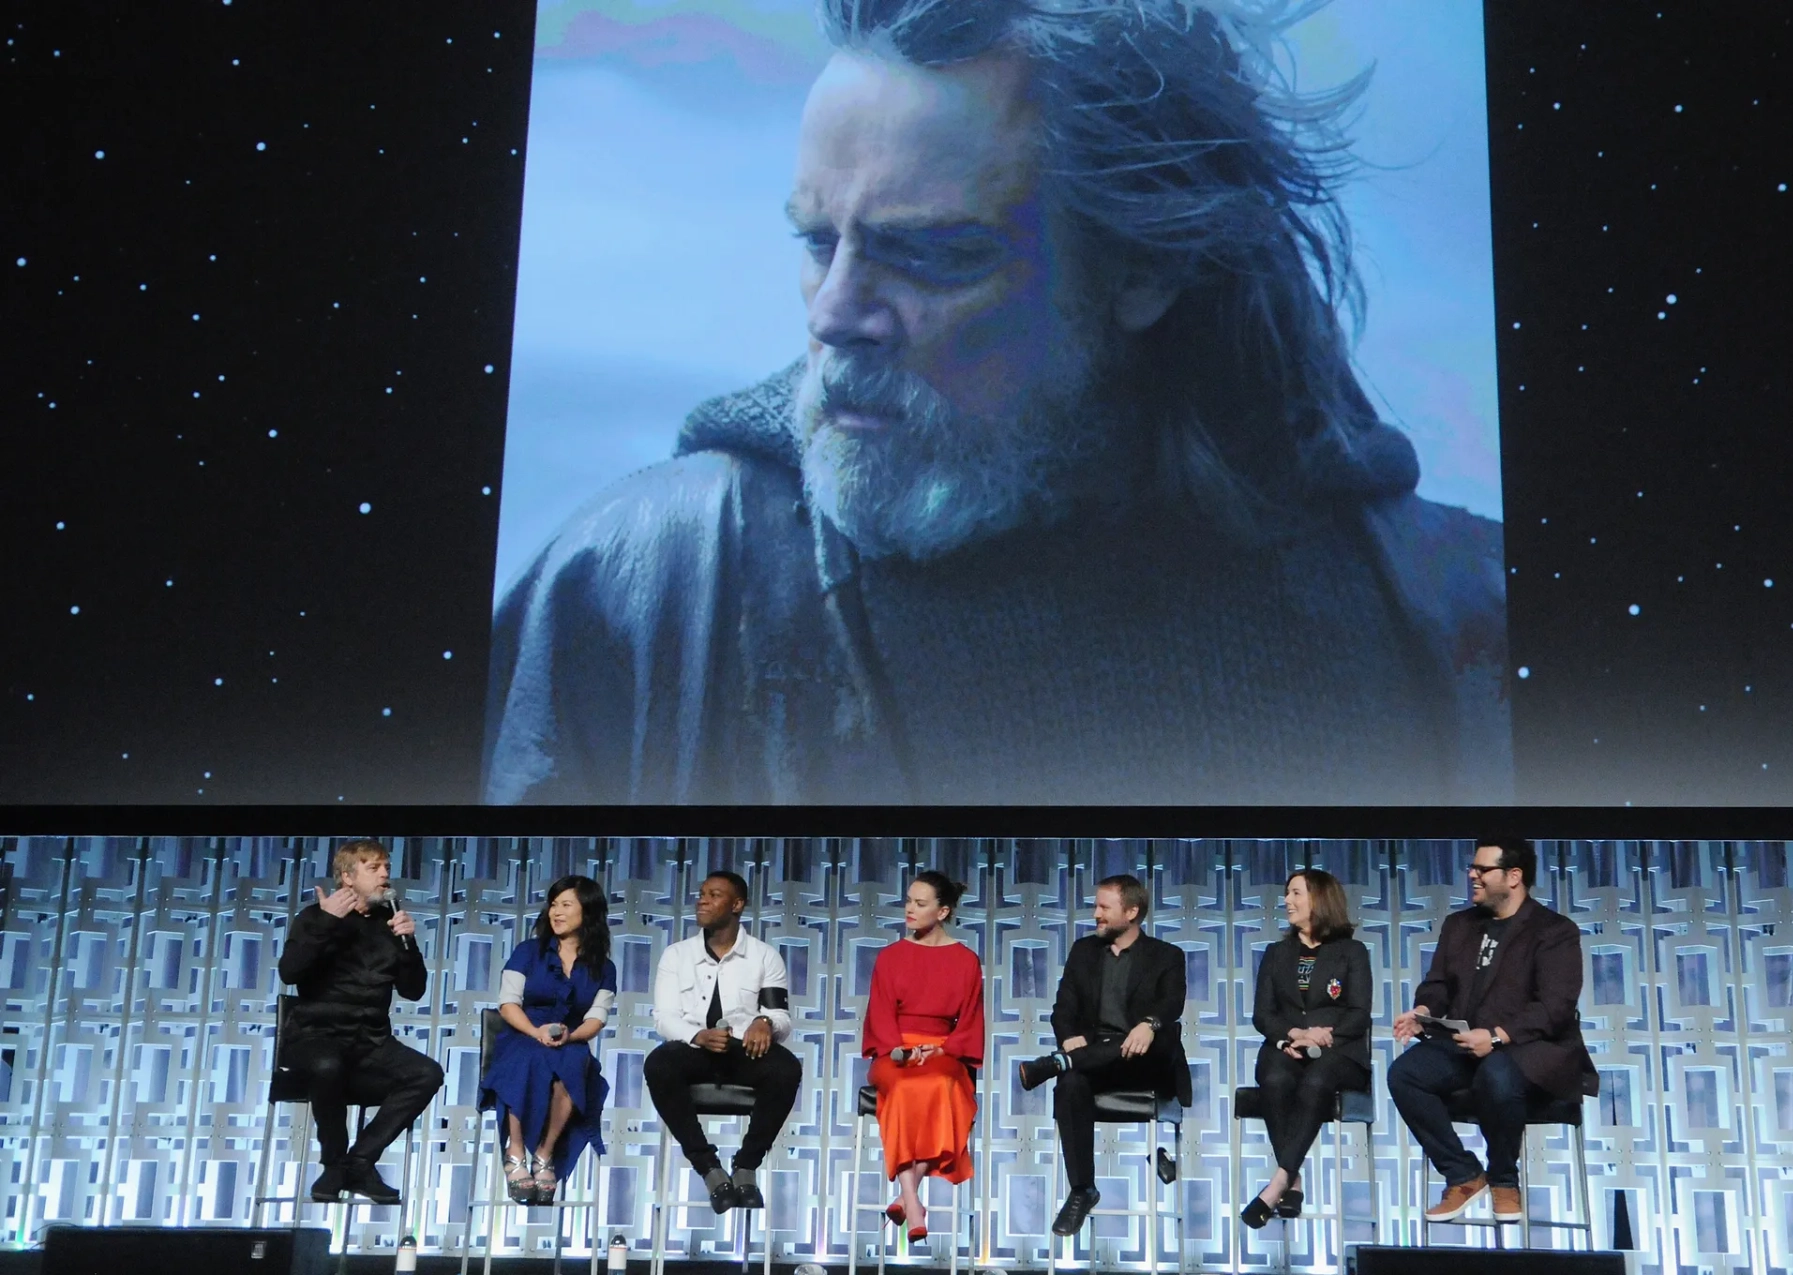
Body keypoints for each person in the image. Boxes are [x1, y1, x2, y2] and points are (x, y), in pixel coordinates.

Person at [482, 0, 1510, 809]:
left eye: (931, 253)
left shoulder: (1452, 611)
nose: (837, 314)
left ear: (1143, 269)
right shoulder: (640, 588)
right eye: (815, 242)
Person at [1387, 838, 1598, 1224]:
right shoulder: (1459, 925)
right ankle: (1464, 1174)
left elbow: (1556, 1007)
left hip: (1531, 1051)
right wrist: (1423, 1011)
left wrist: (1498, 1036)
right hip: (1467, 1043)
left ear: (1513, 876)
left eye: (1483, 870)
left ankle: (1503, 1178)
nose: (1472, 875)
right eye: (1473, 868)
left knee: (1497, 1073)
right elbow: (1438, 985)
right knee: (1405, 1074)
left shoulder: (1554, 931)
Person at [1016, 874, 1192, 1237]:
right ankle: (1082, 1189)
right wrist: (1068, 1040)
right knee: (1070, 1085)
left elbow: (1171, 1003)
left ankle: (1061, 1064)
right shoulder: (1084, 952)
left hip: (1145, 1063)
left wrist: (1149, 1023)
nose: (1095, 913)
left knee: (1155, 1037)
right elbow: (1062, 1008)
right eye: (1096, 906)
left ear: (1131, 911)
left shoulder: (1166, 955)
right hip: (1093, 1060)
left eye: (1103, 907)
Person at [276, 839, 444, 1204]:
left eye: (386, 867)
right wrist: (325, 923)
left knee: (427, 1073)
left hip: (371, 1041)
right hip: (315, 1037)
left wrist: (409, 945)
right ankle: (334, 1163)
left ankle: (360, 1162)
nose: (385, 874)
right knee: (327, 1064)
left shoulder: (390, 922)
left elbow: (413, 991)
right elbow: (289, 973)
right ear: (347, 877)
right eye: (374, 868)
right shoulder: (316, 916)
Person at [644, 871, 802, 1213]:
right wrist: (696, 1035)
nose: (702, 900)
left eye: (713, 895)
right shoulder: (676, 955)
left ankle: (746, 1166)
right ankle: (709, 1169)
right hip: (693, 1049)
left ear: (737, 905)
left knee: (786, 1068)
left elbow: (781, 1017)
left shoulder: (764, 956)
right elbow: (664, 1017)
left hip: (742, 1052)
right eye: (701, 893)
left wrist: (764, 1022)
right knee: (659, 1063)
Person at [1240, 869, 1372, 1228]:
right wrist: (1291, 1035)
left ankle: (1279, 1181)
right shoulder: (1276, 952)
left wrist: (1322, 1035)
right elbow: (1262, 1014)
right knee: (1276, 1079)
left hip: (1339, 1051)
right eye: (1287, 894)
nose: (1287, 901)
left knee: (1317, 1081)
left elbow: (1359, 1014)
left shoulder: (1352, 952)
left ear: (1320, 900)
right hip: (1286, 1045)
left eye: (1296, 893)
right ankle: (1292, 1179)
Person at [861, 871, 985, 1242]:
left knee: (943, 1084)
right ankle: (914, 1201)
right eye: (908, 901)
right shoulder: (891, 957)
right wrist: (899, 1050)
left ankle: (906, 1194)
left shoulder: (965, 960)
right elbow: (880, 1014)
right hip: (896, 1051)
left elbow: (971, 1019)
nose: (909, 910)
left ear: (943, 911)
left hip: (943, 1050)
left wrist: (945, 1048)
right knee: (902, 1088)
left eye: (920, 903)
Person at [479, 876, 616, 1205]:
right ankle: (515, 1152)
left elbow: (596, 1019)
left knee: (574, 1060)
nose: (556, 911)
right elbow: (508, 1003)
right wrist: (535, 1031)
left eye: (566, 905)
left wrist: (571, 1034)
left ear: (588, 911)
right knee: (528, 1057)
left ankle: (544, 1152)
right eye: (553, 904)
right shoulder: (528, 952)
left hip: (569, 1037)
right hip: (523, 1032)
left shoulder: (604, 967)